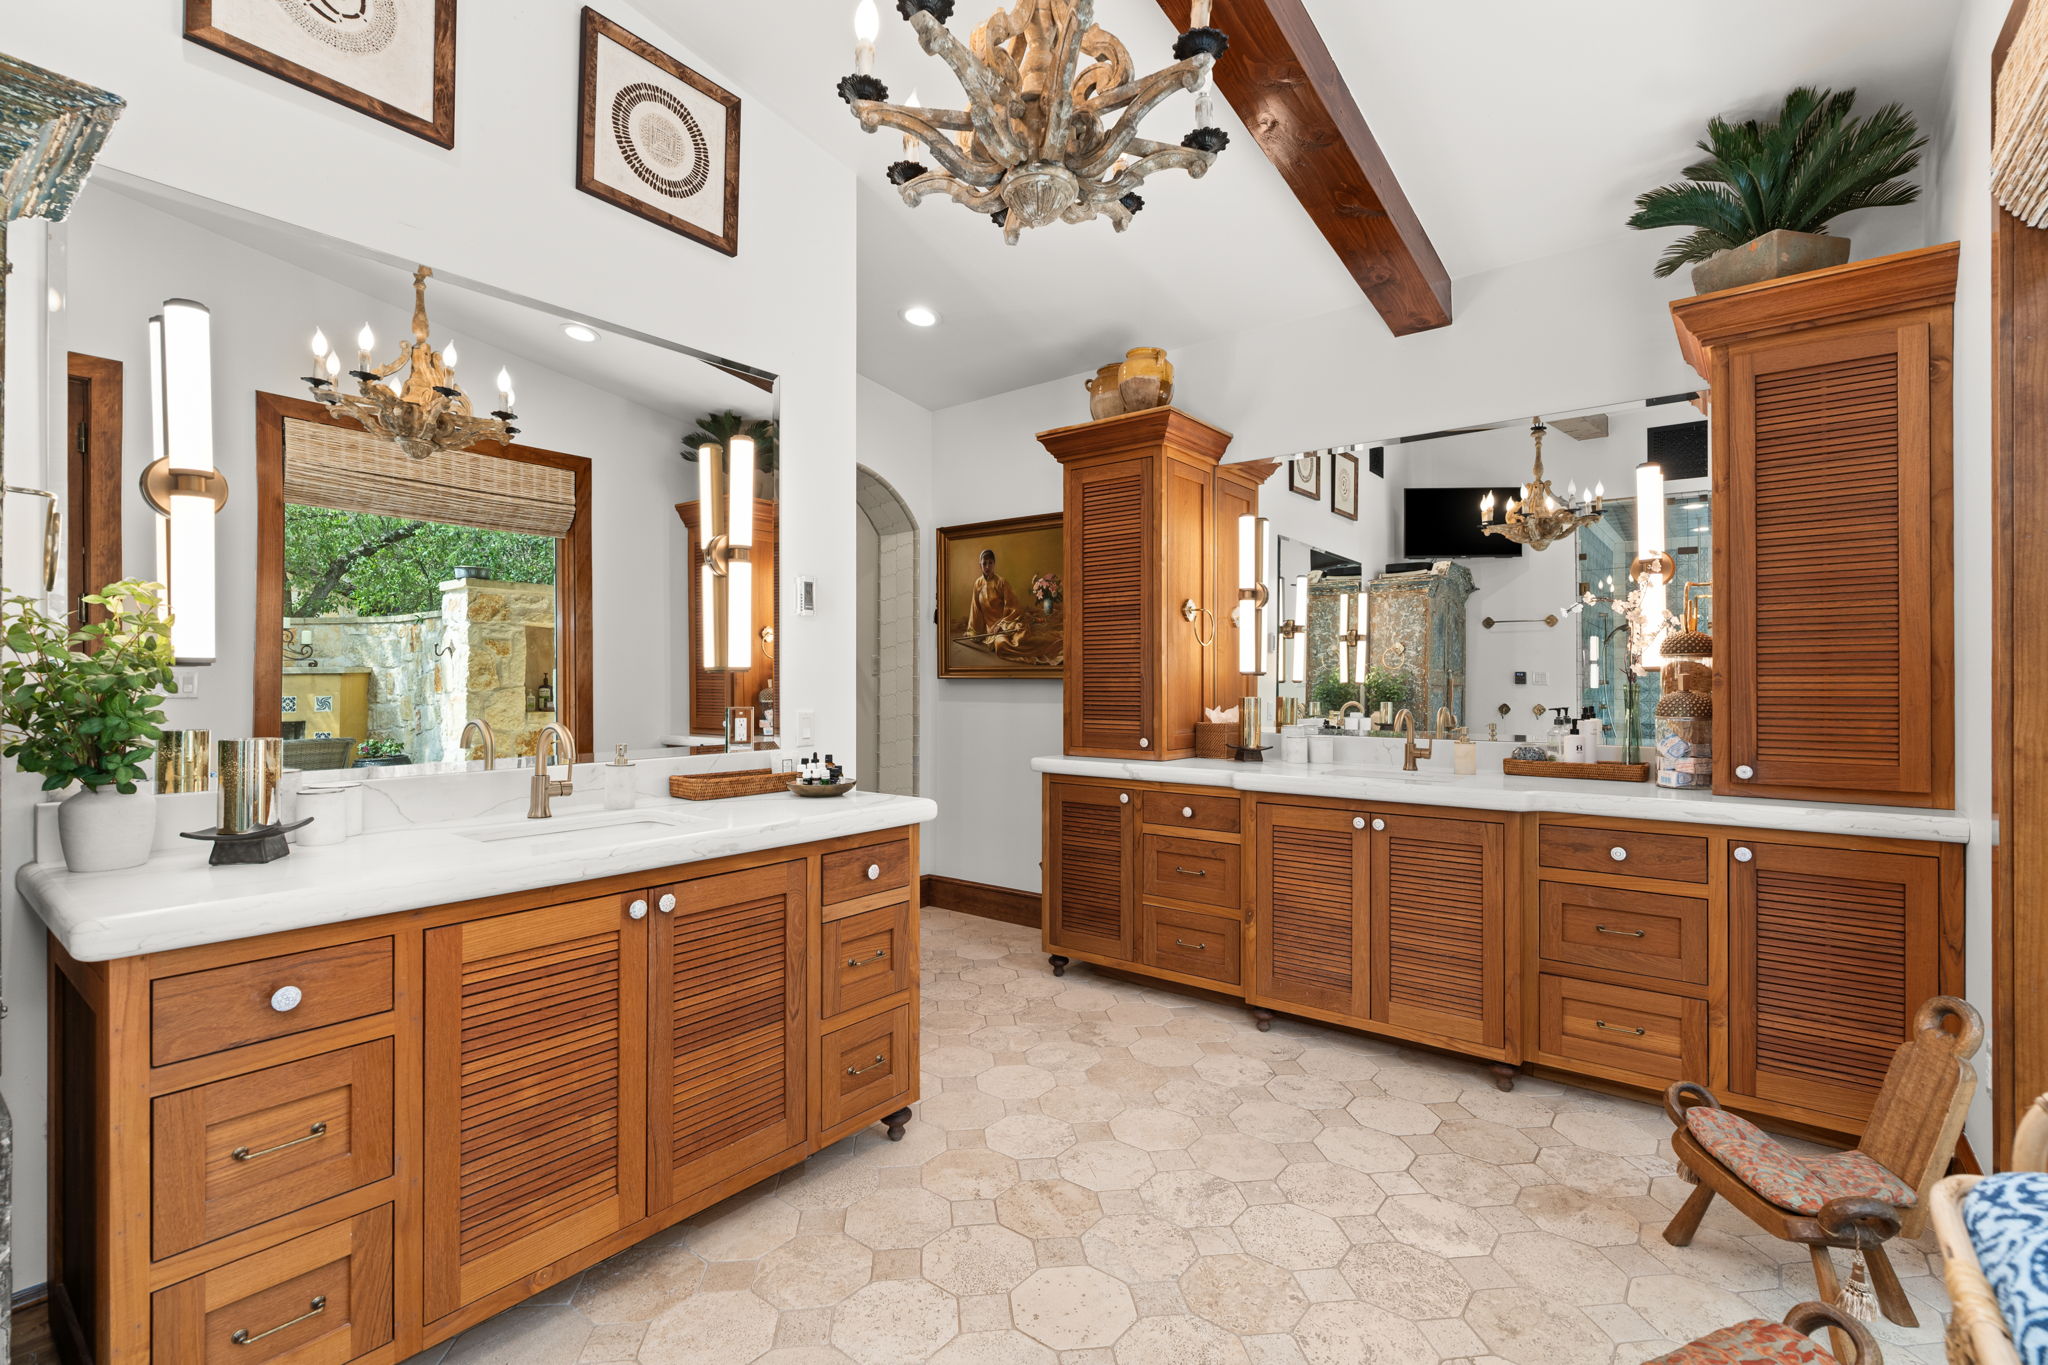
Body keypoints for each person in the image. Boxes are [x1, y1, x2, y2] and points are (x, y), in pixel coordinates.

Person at [966, 548, 1026, 639]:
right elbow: (975, 610)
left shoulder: (1002, 582)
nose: (987, 567)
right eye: (984, 563)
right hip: (989, 629)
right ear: (980, 565)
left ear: (994, 564)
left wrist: (1001, 625)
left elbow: (1013, 608)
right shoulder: (977, 583)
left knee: (1016, 638)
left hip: (1005, 623)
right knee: (999, 643)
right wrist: (972, 630)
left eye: (990, 563)